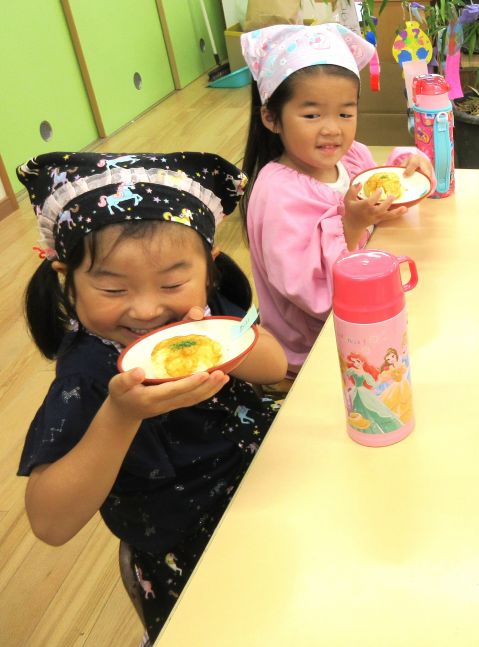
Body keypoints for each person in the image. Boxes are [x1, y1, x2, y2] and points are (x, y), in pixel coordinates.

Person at [16, 151, 289, 644]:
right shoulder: (88, 375)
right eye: (112, 287)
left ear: (209, 266)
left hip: (271, 484)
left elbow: (272, 366)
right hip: (190, 546)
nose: (147, 309)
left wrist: (214, 337)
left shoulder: (202, 309)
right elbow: (49, 522)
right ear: (66, 280)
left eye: (171, 282)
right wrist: (120, 417)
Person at [240, 23, 433, 385]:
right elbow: (313, 296)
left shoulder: (350, 158)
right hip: (318, 349)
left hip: (369, 313)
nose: (332, 129)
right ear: (271, 118)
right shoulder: (278, 195)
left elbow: (378, 178)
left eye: (345, 113)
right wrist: (352, 224)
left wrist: (407, 166)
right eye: (312, 115)